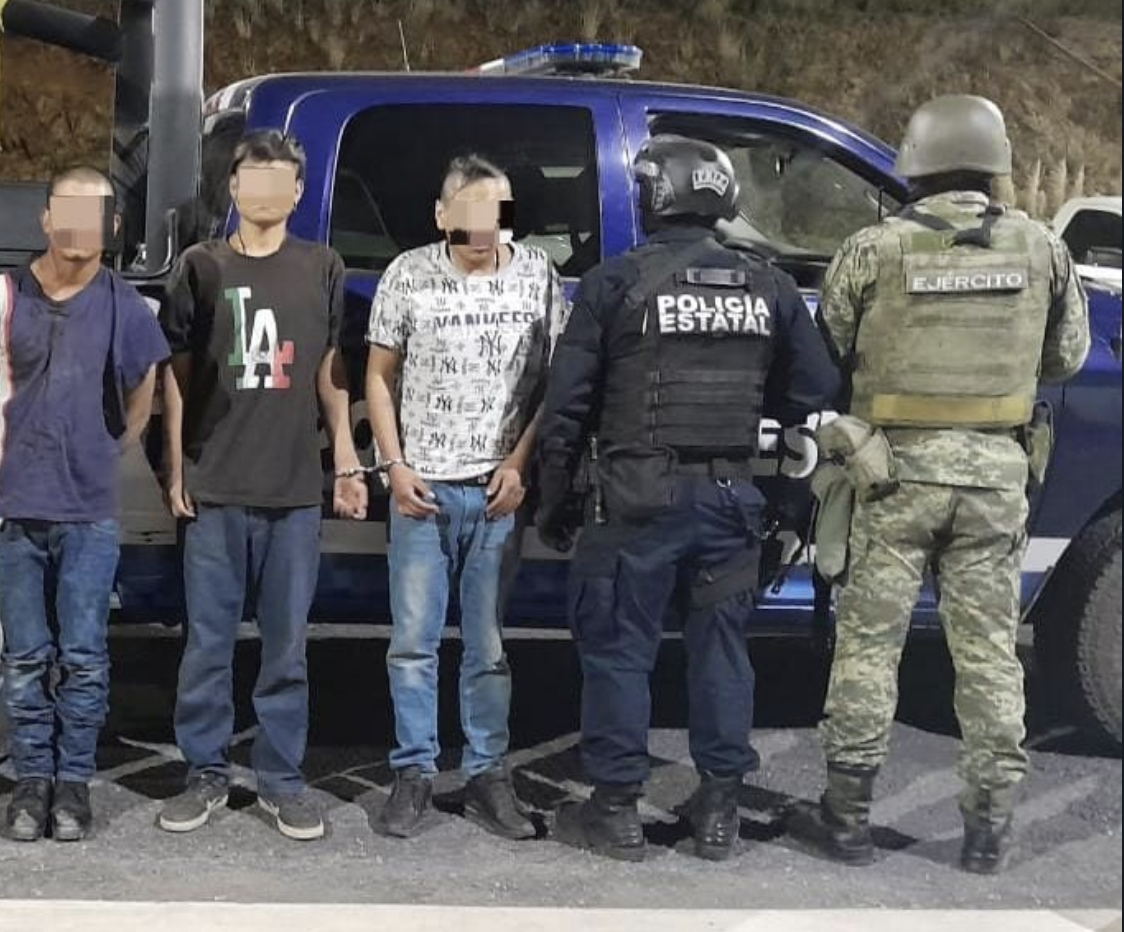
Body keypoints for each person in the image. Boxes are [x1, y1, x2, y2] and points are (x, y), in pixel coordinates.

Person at [788, 95, 1089, 875]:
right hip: (994, 479)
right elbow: (1066, 359)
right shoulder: (1042, 249)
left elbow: (828, 351)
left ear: (915, 164)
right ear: (995, 164)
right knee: (988, 654)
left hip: (893, 475)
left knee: (868, 649)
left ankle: (847, 819)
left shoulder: (874, 248)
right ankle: (988, 830)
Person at [533, 134, 837, 863]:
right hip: (731, 498)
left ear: (652, 198)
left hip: (633, 498)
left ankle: (615, 811)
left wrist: (555, 502)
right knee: (722, 655)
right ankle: (719, 812)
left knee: (619, 652)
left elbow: (567, 407)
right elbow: (815, 391)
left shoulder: (615, 283)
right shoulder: (768, 286)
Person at [155, 129, 368, 842]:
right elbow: (177, 372)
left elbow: (331, 370)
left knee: (287, 649)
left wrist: (344, 459)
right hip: (216, 484)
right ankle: (205, 772)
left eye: (282, 178)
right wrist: (176, 464)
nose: (267, 189)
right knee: (207, 645)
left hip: (293, 489)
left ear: (299, 192)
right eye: (254, 176)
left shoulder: (321, 266)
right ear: (234, 186)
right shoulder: (200, 265)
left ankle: (281, 779)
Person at [0, 166, 170, 842]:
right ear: (47, 219)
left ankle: (73, 783)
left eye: (94, 213)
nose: (79, 226)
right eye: (67, 212)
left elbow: (143, 400)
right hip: (13, 508)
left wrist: (103, 454)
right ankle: (31, 782)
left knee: (83, 656)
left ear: (112, 226)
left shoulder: (128, 307)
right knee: (24, 657)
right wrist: (0, 450)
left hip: (90, 513)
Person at [364, 154, 564, 841]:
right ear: (441, 214)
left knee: (488, 647)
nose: (484, 226)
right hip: (421, 492)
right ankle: (414, 773)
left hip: (497, 494)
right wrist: (394, 465)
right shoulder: (407, 274)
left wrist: (519, 463)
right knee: (412, 645)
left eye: (496, 211)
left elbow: (553, 384)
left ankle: (486, 775)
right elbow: (379, 377)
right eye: (470, 211)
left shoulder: (538, 275)